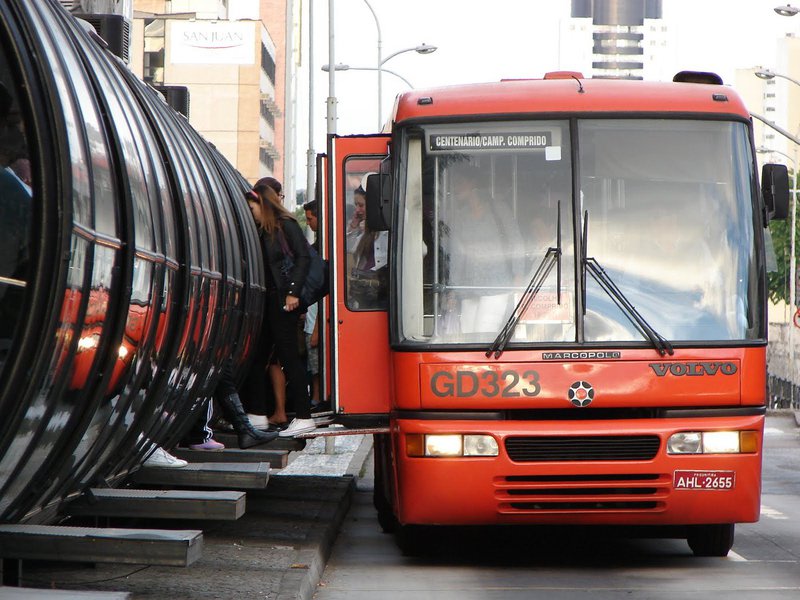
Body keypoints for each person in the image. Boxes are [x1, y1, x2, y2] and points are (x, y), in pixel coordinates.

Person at [241, 183, 317, 438]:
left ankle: (304, 417)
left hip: (284, 302)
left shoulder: (286, 224)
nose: (250, 212)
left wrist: (293, 292)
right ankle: (258, 413)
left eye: (252, 207)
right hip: (271, 301)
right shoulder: (266, 229)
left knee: (287, 358)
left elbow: (303, 257)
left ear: (262, 204)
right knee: (259, 356)